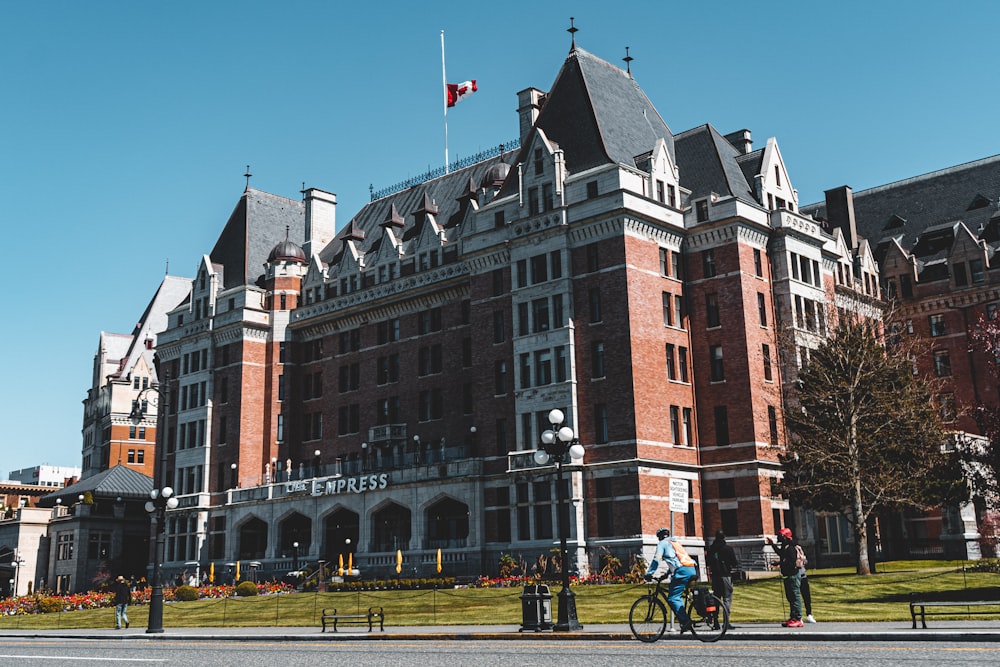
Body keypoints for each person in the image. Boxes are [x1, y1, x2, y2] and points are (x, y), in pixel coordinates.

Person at [644, 527, 697, 632]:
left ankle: (685, 621)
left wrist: (649, 574)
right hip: (691, 568)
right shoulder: (675, 542)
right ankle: (683, 618)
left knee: (672, 598)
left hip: (682, 571)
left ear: (659, 537)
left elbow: (656, 559)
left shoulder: (662, 544)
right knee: (678, 596)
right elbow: (676, 559)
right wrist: (666, 574)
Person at [766, 527, 804, 627]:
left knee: (795, 597)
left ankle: (798, 618)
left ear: (786, 536)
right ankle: (793, 617)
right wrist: (772, 545)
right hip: (787, 575)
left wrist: (781, 564)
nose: (779, 537)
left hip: (792, 575)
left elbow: (791, 562)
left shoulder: (791, 547)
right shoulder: (785, 546)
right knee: (790, 598)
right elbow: (782, 555)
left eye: (781, 535)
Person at [706, 530, 739, 624]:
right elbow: (734, 563)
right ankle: (726, 622)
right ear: (724, 537)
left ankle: (715, 620)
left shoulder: (711, 549)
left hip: (715, 576)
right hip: (725, 576)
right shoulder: (727, 549)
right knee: (727, 599)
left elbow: (708, 562)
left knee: (716, 598)